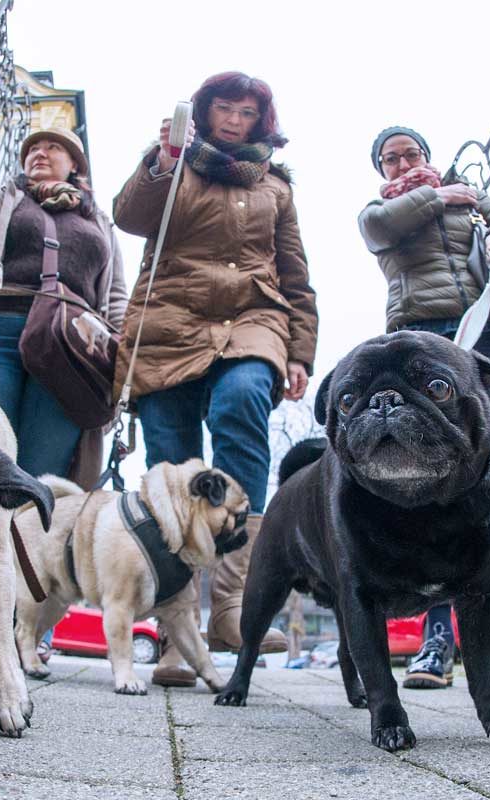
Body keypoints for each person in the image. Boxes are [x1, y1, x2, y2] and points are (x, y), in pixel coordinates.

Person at [112, 72, 318, 687]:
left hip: (252, 317)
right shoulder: (174, 164)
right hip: (168, 321)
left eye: (248, 111)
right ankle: (180, 633)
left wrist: (300, 350)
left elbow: (295, 272)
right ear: (204, 113)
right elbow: (130, 216)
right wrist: (161, 162)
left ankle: (231, 602)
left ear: (262, 120)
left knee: (242, 402)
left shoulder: (276, 185)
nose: (235, 119)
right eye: (225, 108)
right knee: (173, 469)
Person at [358, 126, 490, 689]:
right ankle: (436, 641)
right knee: (431, 484)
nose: (403, 163)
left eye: (412, 154)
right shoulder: (386, 208)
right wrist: (436, 197)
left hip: (488, 336)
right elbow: (378, 230)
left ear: (430, 155)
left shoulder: (471, 196)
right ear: (383, 171)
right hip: (422, 343)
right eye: (391, 159)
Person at [0, 126, 127, 659]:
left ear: (73, 165)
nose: (39, 154)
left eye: (52, 148)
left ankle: (26, 623)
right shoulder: (5, 197)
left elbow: (118, 296)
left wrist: (123, 365)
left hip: (72, 352)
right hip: (3, 331)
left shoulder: (98, 219)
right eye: (32, 149)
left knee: (38, 489)